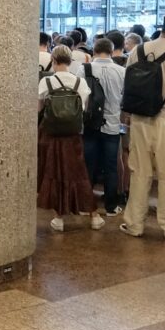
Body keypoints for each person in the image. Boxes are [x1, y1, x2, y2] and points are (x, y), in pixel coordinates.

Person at [120, 12, 165, 241]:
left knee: (139, 172)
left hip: (140, 120)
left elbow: (128, 85)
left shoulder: (137, 51)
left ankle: (134, 224)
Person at [37, 46, 102, 232]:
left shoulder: (46, 82)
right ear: (70, 61)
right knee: (78, 172)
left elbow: (38, 109)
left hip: (51, 134)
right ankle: (94, 216)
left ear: (54, 60)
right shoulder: (80, 83)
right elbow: (83, 108)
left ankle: (59, 218)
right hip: (73, 134)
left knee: (54, 171)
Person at [73, 38, 126, 215]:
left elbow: (78, 96)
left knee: (88, 164)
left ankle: (85, 205)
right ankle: (111, 206)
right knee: (111, 166)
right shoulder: (121, 71)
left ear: (94, 51)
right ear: (112, 51)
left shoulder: (84, 69)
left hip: (89, 124)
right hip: (112, 125)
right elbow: (123, 98)